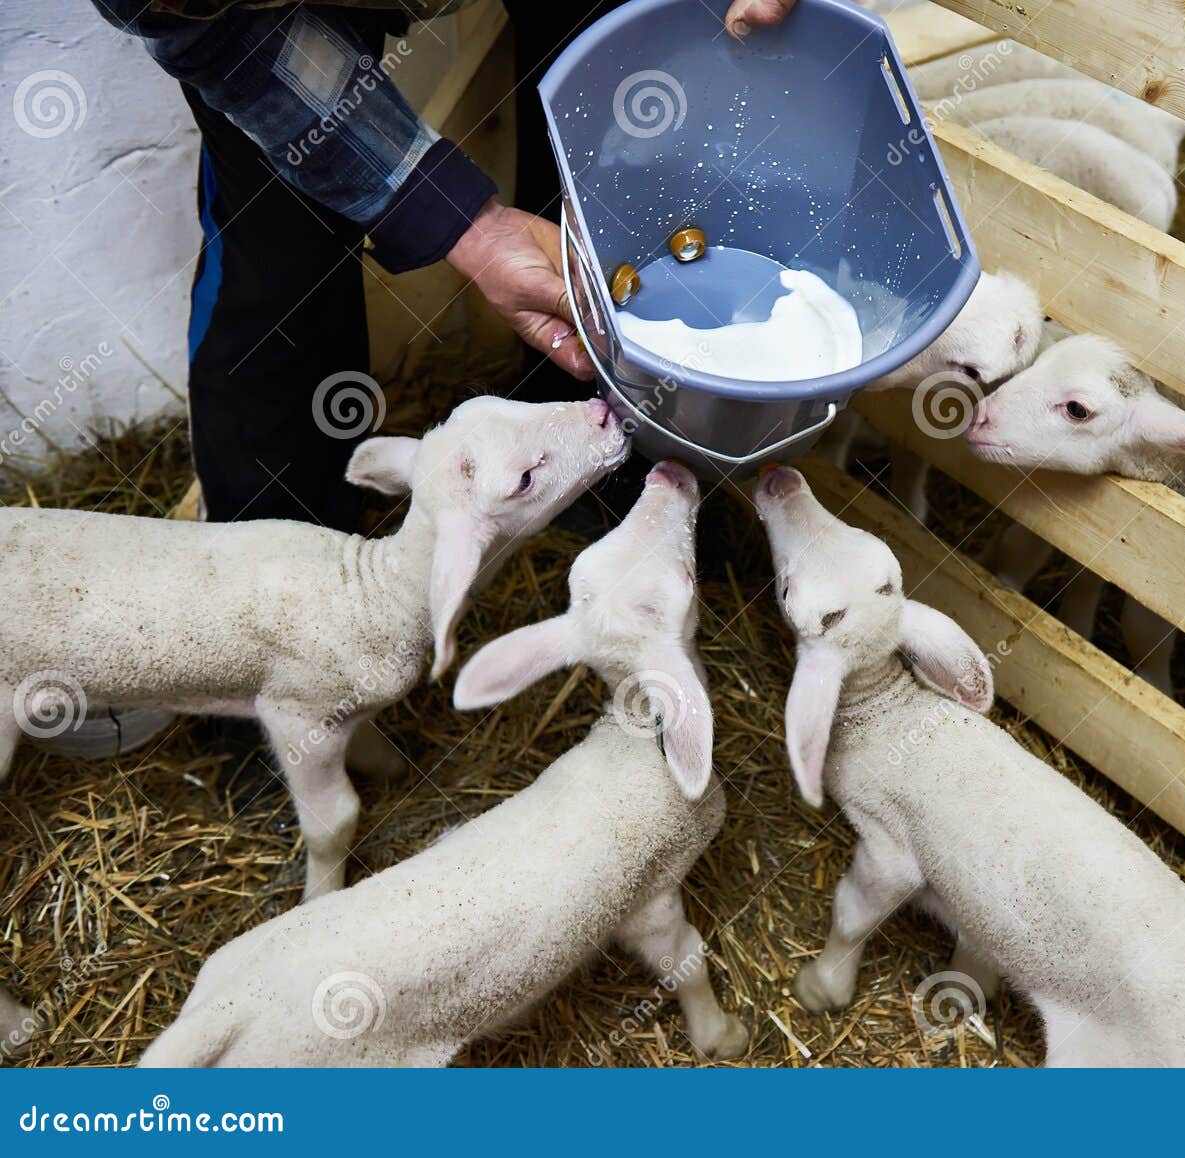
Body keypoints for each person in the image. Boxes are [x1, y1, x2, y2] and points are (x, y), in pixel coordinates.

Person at [69, 0, 795, 756]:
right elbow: (216, 27)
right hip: (268, 21)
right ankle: (272, 659)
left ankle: (595, 471)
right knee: (280, 240)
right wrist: (467, 225)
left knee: (610, 104)